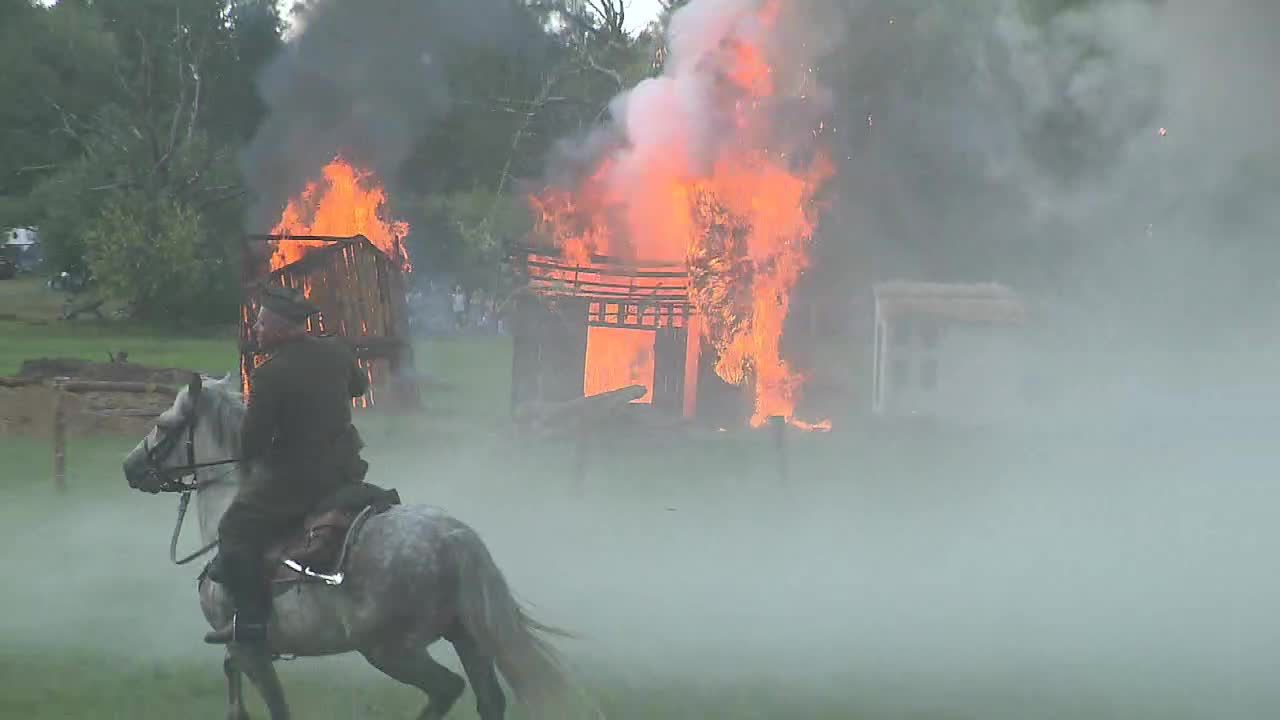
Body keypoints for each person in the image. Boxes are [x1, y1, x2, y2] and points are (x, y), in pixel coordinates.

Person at [203, 284, 370, 646]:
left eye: (262, 324)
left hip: (298, 481)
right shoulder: (336, 350)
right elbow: (359, 387)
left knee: (234, 528)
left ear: (280, 328)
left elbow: (253, 443)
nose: (256, 330)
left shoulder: (269, 374)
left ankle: (251, 620)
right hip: (346, 469)